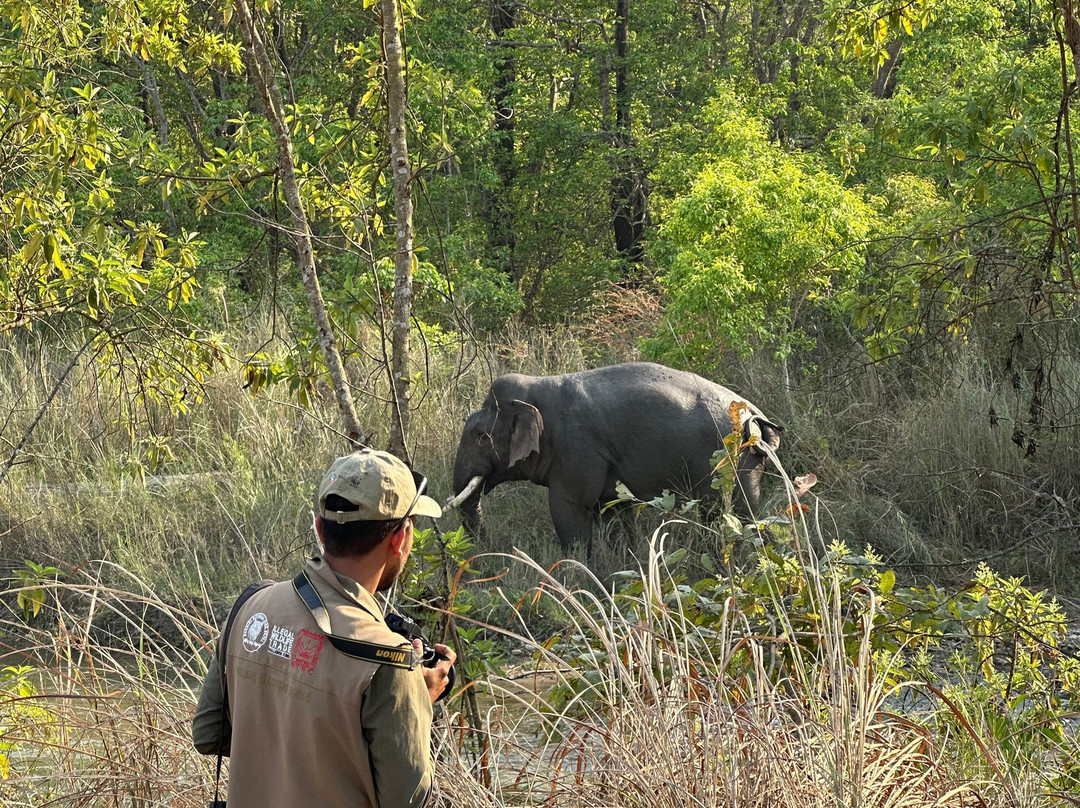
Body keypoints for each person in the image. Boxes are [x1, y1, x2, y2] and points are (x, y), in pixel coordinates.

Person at [192, 448, 455, 808]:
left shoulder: (250, 606)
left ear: (320, 529)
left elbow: (208, 735)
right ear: (401, 538)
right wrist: (415, 700)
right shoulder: (390, 662)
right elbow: (408, 802)